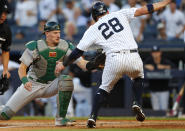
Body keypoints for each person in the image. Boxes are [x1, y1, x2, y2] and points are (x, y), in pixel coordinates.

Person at [55, 0, 172, 128]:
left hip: (114, 57)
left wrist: (63, 64)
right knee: (138, 77)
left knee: (104, 89)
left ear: (94, 17)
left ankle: (93, 117)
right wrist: (165, 2)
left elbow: (77, 52)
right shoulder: (120, 14)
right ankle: (137, 102)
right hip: (133, 55)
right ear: (107, 11)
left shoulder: (93, 29)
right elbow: (145, 9)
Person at [0, 21, 88, 126]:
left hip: (51, 84)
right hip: (32, 84)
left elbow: (82, 63)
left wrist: (94, 64)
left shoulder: (65, 46)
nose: (58, 35)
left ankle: (61, 119)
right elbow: (22, 68)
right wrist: (25, 80)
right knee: (5, 114)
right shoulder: (35, 46)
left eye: (59, 32)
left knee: (66, 80)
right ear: (47, 33)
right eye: (55, 33)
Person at [144, 45, 175, 111]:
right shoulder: (149, 61)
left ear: (160, 53)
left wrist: (164, 67)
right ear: (151, 53)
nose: (155, 54)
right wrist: (145, 66)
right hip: (153, 90)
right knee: (155, 111)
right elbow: (140, 65)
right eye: (154, 52)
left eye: (157, 52)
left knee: (164, 110)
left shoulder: (164, 60)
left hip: (164, 90)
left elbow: (174, 67)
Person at [0, 0, 11, 79]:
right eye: (1, 12)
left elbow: (5, 51)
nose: (4, 16)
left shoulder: (6, 30)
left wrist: (5, 69)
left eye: (6, 13)